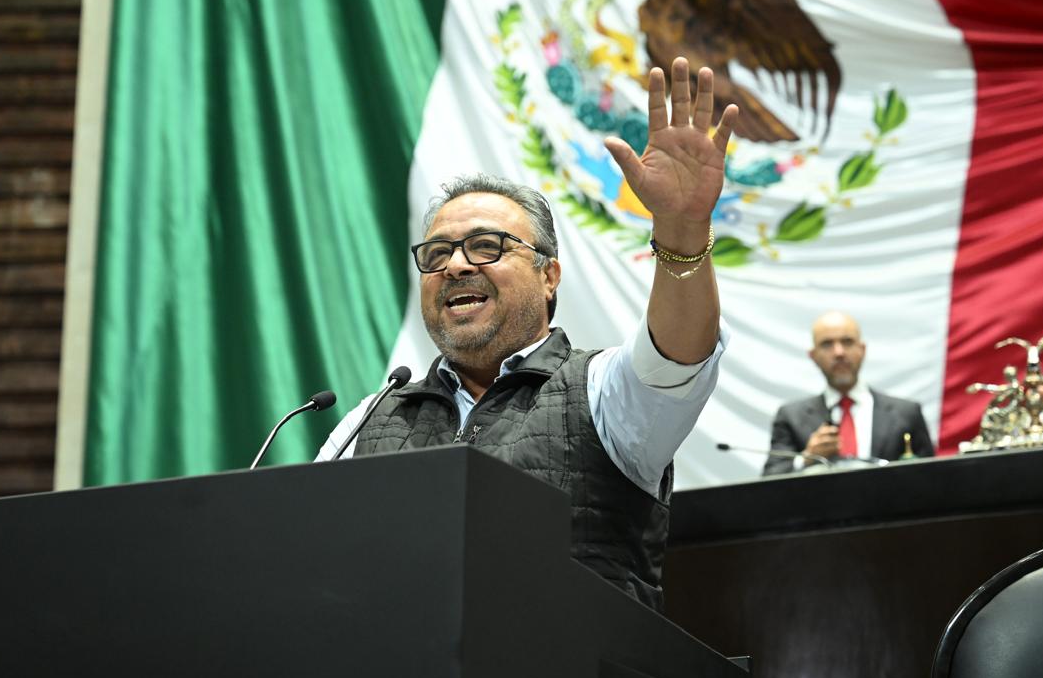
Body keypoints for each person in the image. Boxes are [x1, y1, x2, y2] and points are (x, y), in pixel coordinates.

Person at [316, 57, 738, 611]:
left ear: (548, 276)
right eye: (437, 253)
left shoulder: (601, 391)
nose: (456, 266)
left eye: (485, 246)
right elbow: (306, 551)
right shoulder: (369, 420)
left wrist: (682, 230)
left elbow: (677, 355)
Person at [763, 310, 933, 475]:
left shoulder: (906, 414)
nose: (839, 352)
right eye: (827, 344)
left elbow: (931, 478)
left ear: (862, 349)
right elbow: (770, 478)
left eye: (847, 342)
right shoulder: (791, 417)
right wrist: (806, 458)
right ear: (813, 356)